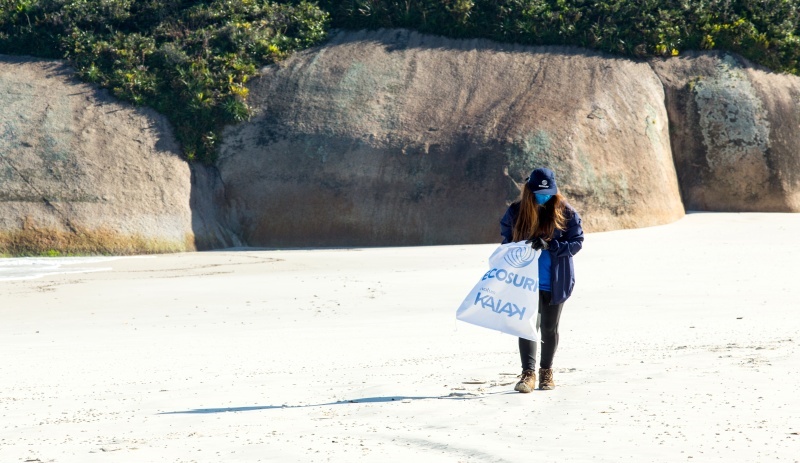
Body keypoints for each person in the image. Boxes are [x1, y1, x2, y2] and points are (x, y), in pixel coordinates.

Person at [500, 167, 584, 393]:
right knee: (527, 326)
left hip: (555, 280)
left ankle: (547, 371)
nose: (544, 197)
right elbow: (506, 241)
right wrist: (520, 246)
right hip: (525, 281)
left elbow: (576, 242)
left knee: (549, 328)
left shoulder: (565, 212)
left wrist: (551, 245)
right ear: (530, 190)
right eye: (539, 193)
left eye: (548, 193)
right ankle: (528, 374)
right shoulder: (516, 212)